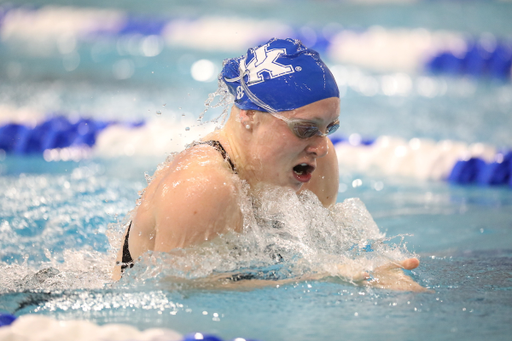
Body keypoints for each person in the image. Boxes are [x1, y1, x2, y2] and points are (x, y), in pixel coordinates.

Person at [112, 38, 426, 292]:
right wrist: (328, 276)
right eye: (305, 129)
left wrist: (377, 271)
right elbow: (177, 292)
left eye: (329, 128)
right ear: (248, 116)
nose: (319, 146)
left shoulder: (316, 160)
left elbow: (321, 242)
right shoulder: (204, 186)